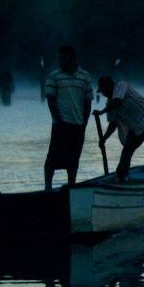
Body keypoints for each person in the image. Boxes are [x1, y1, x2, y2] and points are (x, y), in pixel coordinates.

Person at [93, 76, 144, 182]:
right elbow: (113, 124)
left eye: (104, 90)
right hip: (137, 127)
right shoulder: (110, 104)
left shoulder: (122, 86)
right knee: (127, 150)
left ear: (110, 87)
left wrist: (101, 112)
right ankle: (122, 176)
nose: (104, 94)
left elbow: (118, 101)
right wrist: (104, 138)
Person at [44, 46, 93, 191]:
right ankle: (48, 188)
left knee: (73, 158)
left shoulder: (85, 77)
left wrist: (84, 122)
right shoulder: (54, 77)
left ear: (72, 58)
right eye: (59, 58)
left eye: (63, 58)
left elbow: (87, 101)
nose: (60, 61)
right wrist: (57, 120)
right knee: (52, 158)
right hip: (60, 124)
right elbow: (51, 100)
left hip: (78, 124)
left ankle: (72, 186)